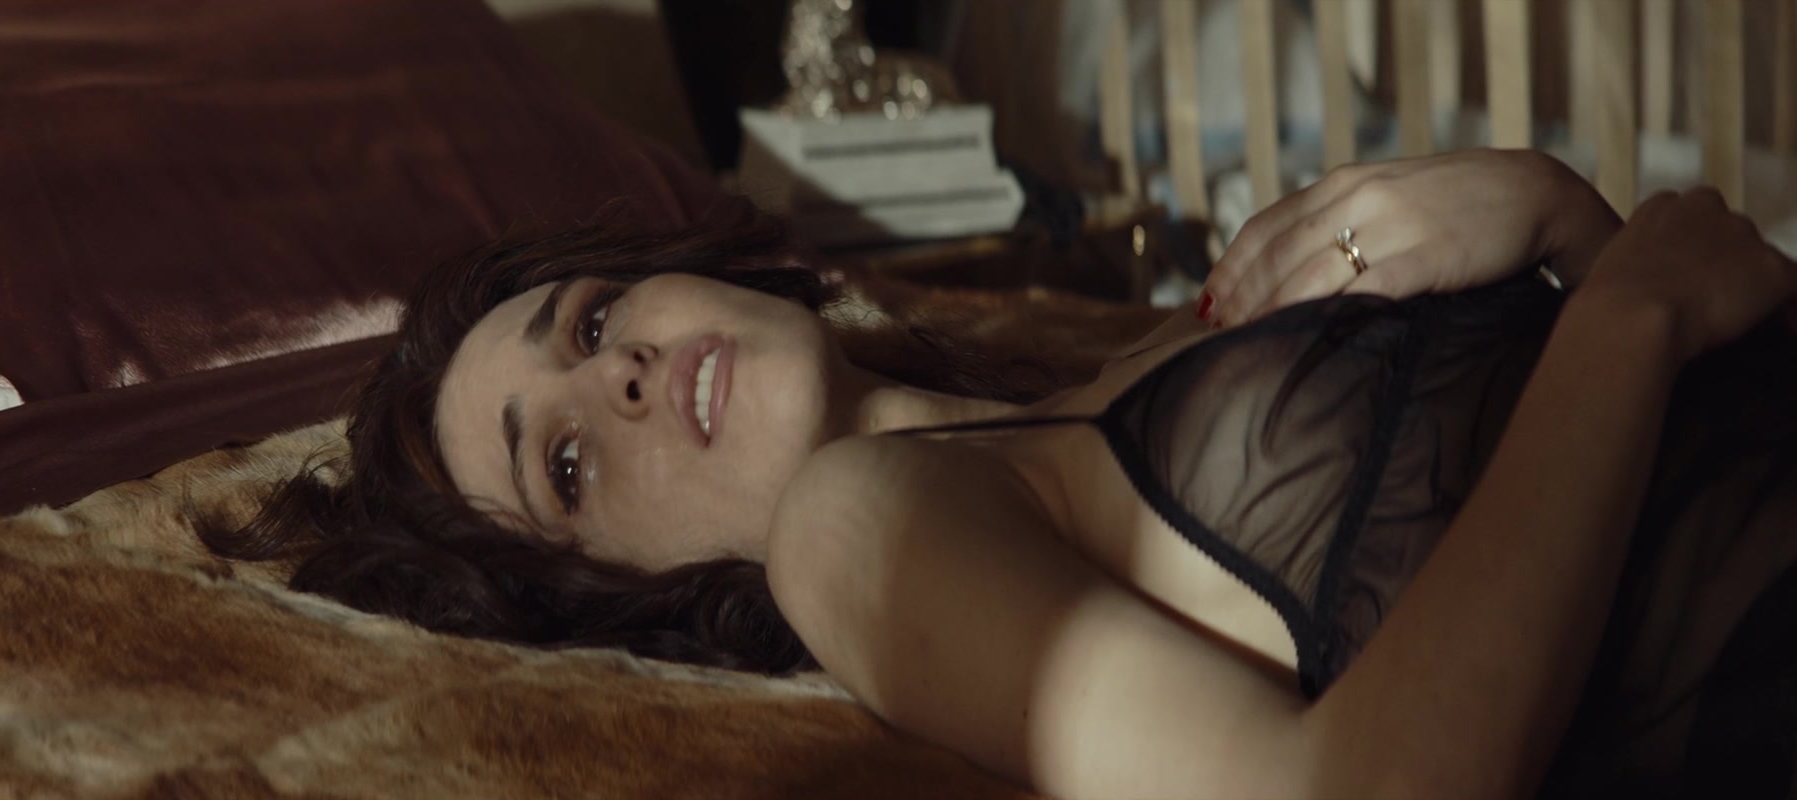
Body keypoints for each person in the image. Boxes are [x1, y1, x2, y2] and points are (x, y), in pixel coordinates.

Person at [205, 148, 1797, 799]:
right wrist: (1629, 316)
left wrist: (1566, 220)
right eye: (565, 462)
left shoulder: (1126, 362)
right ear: (602, 590)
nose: (615, 372)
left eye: (595, 317)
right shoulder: (852, 529)